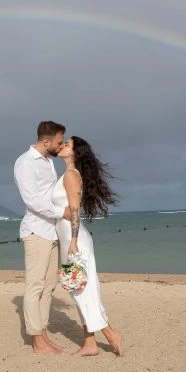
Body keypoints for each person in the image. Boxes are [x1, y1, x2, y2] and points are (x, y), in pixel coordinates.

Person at [54, 136, 124, 357]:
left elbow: (75, 211)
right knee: (78, 290)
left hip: (75, 241)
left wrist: (73, 241)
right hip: (69, 239)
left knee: (83, 290)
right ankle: (90, 344)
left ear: (76, 152)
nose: (62, 145)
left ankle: (111, 334)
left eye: (67, 144)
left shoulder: (71, 176)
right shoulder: (67, 175)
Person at [14, 120, 67, 355]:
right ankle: (37, 341)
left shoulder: (47, 161)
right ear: (46, 142)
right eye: (58, 141)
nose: (61, 145)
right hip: (36, 231)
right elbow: (32, 200)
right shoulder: (25, 163)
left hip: (52, 231)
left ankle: (43, 333)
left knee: (49, 286)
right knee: (34, 286)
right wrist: (61, 212)